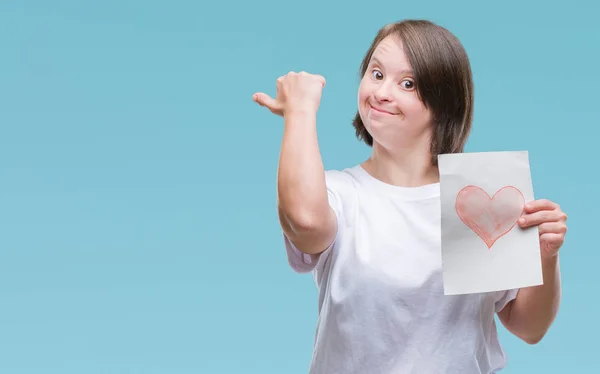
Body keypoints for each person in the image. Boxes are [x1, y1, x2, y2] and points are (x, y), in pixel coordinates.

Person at [252, 19, 567, 374]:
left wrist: (545, 256)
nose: (382, 92)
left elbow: (528, 327)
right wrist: (300, 112)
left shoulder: (476, 198)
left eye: (407, 83)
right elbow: (305, 222)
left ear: (443, 102)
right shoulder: (340, 194)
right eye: (376, 74)